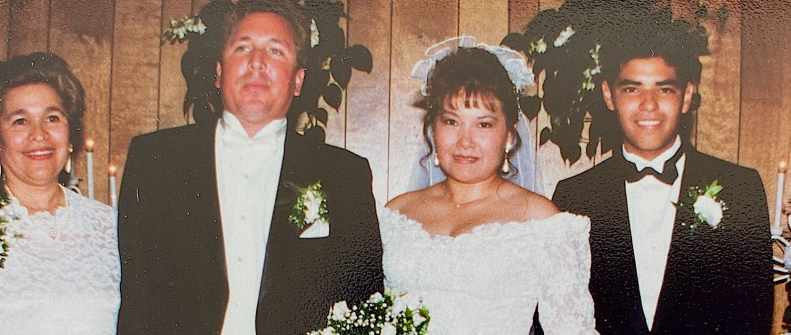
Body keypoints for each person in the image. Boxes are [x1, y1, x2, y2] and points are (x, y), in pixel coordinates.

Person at [115, 0, 383, 334]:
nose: (256, 63)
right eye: (243, 48)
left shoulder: (344, 175)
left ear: (298, 81)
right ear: (218, 71)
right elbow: (138, 298)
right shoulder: (155, 160)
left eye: (275, 51)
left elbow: (363, 303)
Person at [551, 17, 772, 335]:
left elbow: (753, 319)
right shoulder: (573, 196)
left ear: (686, 96)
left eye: (664, 89)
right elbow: (560, 319)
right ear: (609, 96)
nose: (648, 105)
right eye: (632, 88)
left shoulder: (740, 189)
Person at [380, 36, 597, 335]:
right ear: (433, 128)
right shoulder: (396, 215)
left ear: (509, 135)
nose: (465, 141)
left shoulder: (539, 220)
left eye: (483, 124)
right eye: (451, 121)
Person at [0, 52, 119, 334]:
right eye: (20, 121)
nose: (39, 134)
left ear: (69, 135)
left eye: (52, 118)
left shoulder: (110, 226)